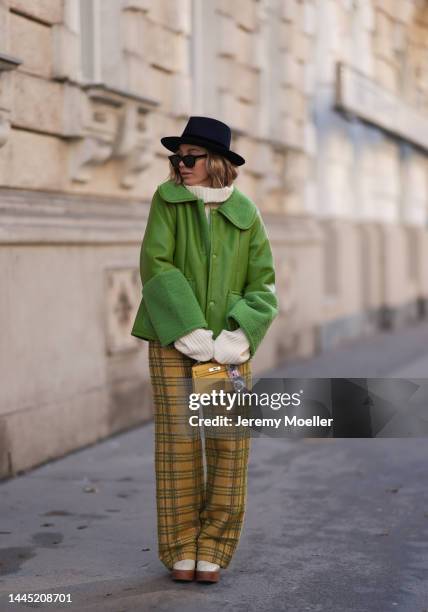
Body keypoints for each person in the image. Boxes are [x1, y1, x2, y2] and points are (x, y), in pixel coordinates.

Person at [131, 116, 279, 583]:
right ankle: (180, 546)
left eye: (189, 157)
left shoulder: (246, 213)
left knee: (227, 446)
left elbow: (264, 284)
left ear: (216, 162)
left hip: (227, 349)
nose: (180, 165)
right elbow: (155, 263)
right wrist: (187, 327)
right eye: (176, 157)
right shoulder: (166, 201)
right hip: (174, 342)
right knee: (177, 446)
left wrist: (241, 333)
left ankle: (214, 544)